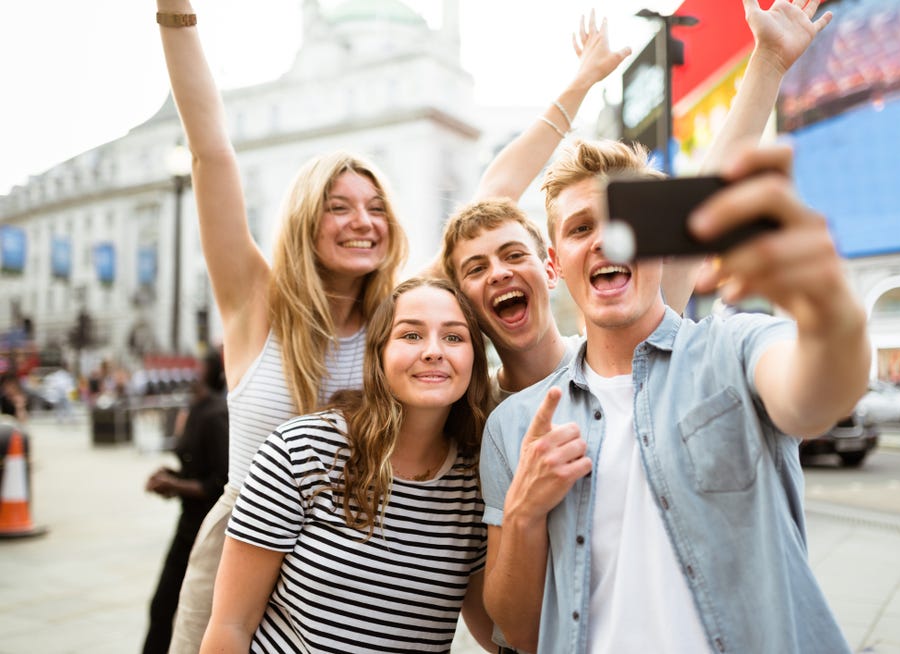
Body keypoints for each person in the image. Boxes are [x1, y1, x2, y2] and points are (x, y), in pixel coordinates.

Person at [156, 1, 632, 649]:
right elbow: (212, 153)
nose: (363, 221)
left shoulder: (399, 317)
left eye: (377, 207)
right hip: (250, 538)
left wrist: (577, 85)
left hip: (361, 538)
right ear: (304, 219)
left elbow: (494, 192)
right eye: (340, 206)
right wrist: (175, 16)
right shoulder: (256, 303)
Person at [480, 138, 870, 653]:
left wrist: (829, 305)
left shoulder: (732, 347)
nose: (604, 242)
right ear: (557, 262)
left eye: (624, 224)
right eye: (580, 228)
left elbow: (816, 397)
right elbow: (519, 634)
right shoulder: (513, 427)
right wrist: (525, 512)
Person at [441, 0, 833, 409]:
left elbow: (705, 193)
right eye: (477, 268)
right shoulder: (471, 405)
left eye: (515, 254)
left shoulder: (631, 337)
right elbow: (485, 209)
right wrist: (580, 84)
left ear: (549, 267)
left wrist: (768, 63)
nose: (500, 273)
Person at [200, 278, 493, 653]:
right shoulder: (300, 450)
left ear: (475, 358)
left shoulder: (476, 483)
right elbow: (230, 626)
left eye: (454, 337)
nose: (434, 351)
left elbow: (500, 635)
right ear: (379, 353)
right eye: (411, 335)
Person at [143, 349, 230, 654]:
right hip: (186, 524)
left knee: (175, 608)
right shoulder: (195, 408)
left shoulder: (216, 414)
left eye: (195, 366)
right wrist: (171, 476)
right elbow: (194, 466)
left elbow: (221, 483)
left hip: (204, 529)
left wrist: (175, 484)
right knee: (161, 606)